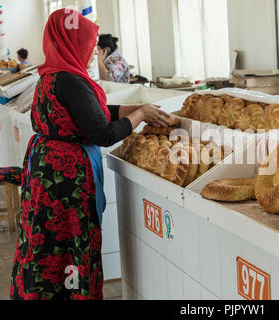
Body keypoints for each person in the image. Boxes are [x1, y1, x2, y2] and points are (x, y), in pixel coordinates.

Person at [9, 9, 173, 300]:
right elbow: (102, 133)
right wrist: (140, 114)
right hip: (67, 184)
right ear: (72, 42)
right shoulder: (73, 81)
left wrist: (132, 111)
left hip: (48, 175)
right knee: (73, 246)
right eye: (89, 43)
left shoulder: (51, 74)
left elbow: (89, 115)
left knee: (50, 246)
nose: (94, 51)